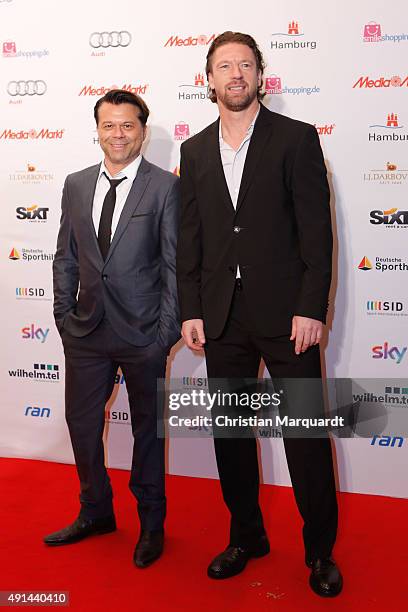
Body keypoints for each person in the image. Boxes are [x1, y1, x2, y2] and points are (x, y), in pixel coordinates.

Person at [176, 32, 342, 597]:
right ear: (210, 80)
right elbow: (191, 238)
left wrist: (310, 308)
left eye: (245, 64)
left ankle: (320, 552)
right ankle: (247, 536)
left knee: (306, 437)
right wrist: (191, 309)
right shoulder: (194, 150)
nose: (236, 74)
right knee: (232, 435)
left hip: (287, 317)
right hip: (223, 317)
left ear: (260, 75)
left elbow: (317, 235)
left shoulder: (296, 139)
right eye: (224, 66)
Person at [45, 90, 180, 569]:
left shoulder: (165, 186)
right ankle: (96, 511)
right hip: (85, 331)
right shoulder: (76, 184)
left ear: (142, 131)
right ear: (96, 130)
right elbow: (66, 255)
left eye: (127, 126)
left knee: (148, 432)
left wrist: (165, 333)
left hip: (144, 333)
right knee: (82, 425)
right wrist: (65, 316)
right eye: (109, 125)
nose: (118, 135)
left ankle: (151, 523)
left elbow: (174, 264)